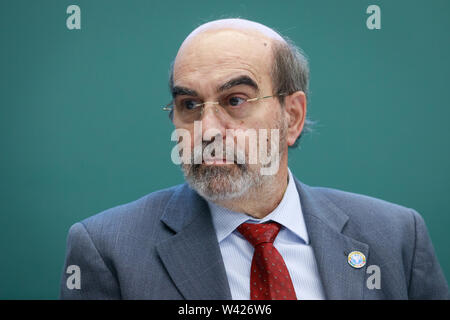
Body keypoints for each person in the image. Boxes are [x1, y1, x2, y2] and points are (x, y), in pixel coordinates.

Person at [60, 18, 448, 299]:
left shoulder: (397, 237)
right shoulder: (108, 250)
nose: (207, 130)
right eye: (189, 104)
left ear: (292, 116)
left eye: (235, 101)